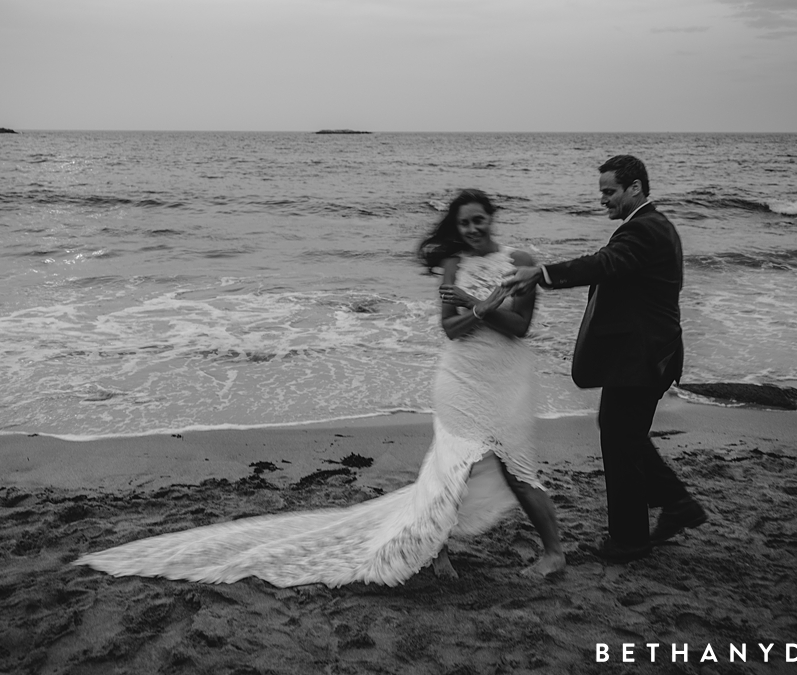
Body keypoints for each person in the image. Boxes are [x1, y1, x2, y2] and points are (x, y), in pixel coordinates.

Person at [76, 189, 565, 587]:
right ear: (456, 229)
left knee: (517, 468)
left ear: (492, 218)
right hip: (459, 380)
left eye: (479, 220)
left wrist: (478, 302)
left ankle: (554, 552)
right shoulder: (454, 268)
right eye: (464, 223)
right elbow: (451, 330)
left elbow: (519, 328)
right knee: (450, 467)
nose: (473, 229)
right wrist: (475, 304)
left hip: (504, 380)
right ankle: (433, 551)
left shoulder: (520, 261)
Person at [503, 155, 706, 563]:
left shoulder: (645, 230)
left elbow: (605, 264)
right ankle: (676, 504)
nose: (603, 201)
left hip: (645, 357)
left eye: (609, 192)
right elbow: (613, 269)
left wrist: (542, 273)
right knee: (621, 434)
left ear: (635, 188)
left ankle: (631, 539)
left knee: (620, 437)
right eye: (601, 193)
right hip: (646, 354)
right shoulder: (651, 226)